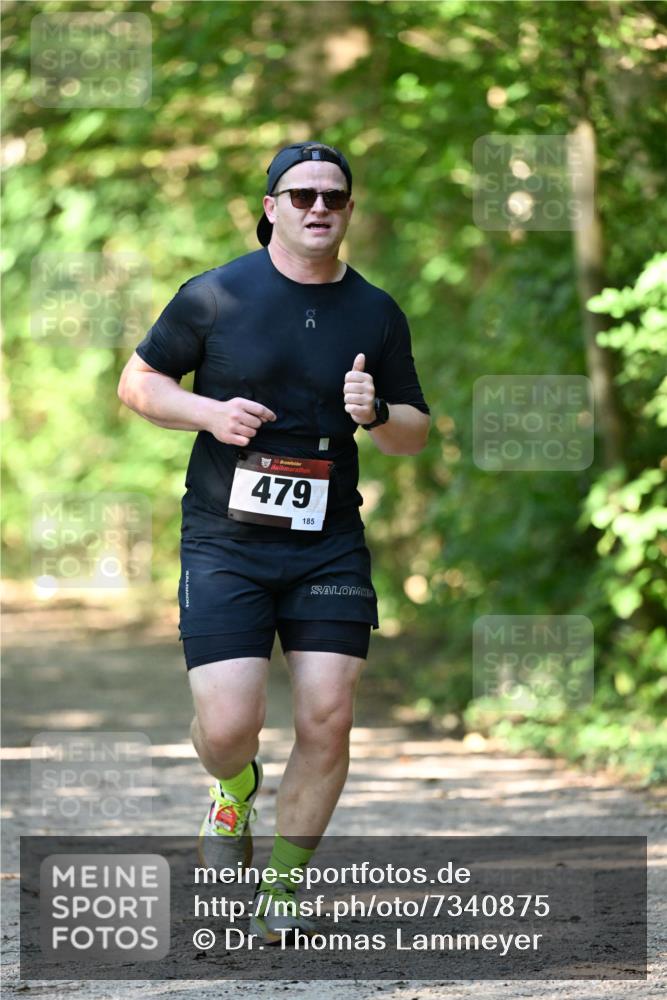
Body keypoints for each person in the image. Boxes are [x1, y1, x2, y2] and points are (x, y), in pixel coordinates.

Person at [117, 141, 430, 944]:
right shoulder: (216, 295)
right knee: (228, 727)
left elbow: (413, 435)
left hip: (327, 544)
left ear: (349, 209)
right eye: (299, 196)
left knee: (327, 714)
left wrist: (374, 414)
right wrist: (208, 414)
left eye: (332, 196)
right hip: (226, 538)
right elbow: (139, 383)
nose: (317, 208)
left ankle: (283, 888)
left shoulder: (375, 312)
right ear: (270, 207)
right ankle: (233, 788)